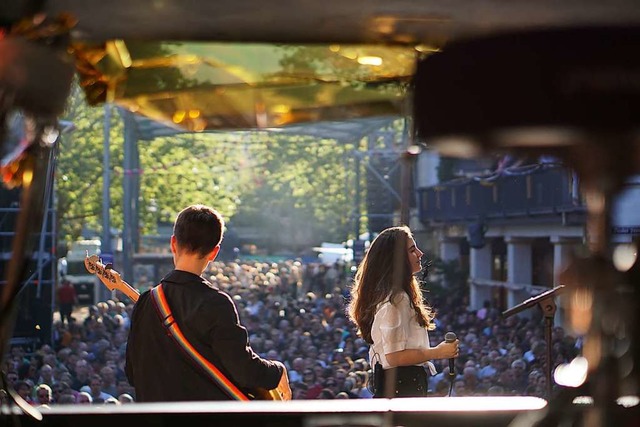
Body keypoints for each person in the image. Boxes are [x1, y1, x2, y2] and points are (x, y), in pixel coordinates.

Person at [125, 204, 291, 402]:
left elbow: (132, 373)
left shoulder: (146, 302)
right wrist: (277, 371)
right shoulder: (215, 303)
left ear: (173, 244)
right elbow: (244, 371)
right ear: (214, 252)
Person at [347, 226, 459, 397]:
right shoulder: (396, 299)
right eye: (412, 250)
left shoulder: (397, 296)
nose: (420, 254)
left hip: (404, 385)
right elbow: (395, 357)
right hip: (401, 388)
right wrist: (438, 352)